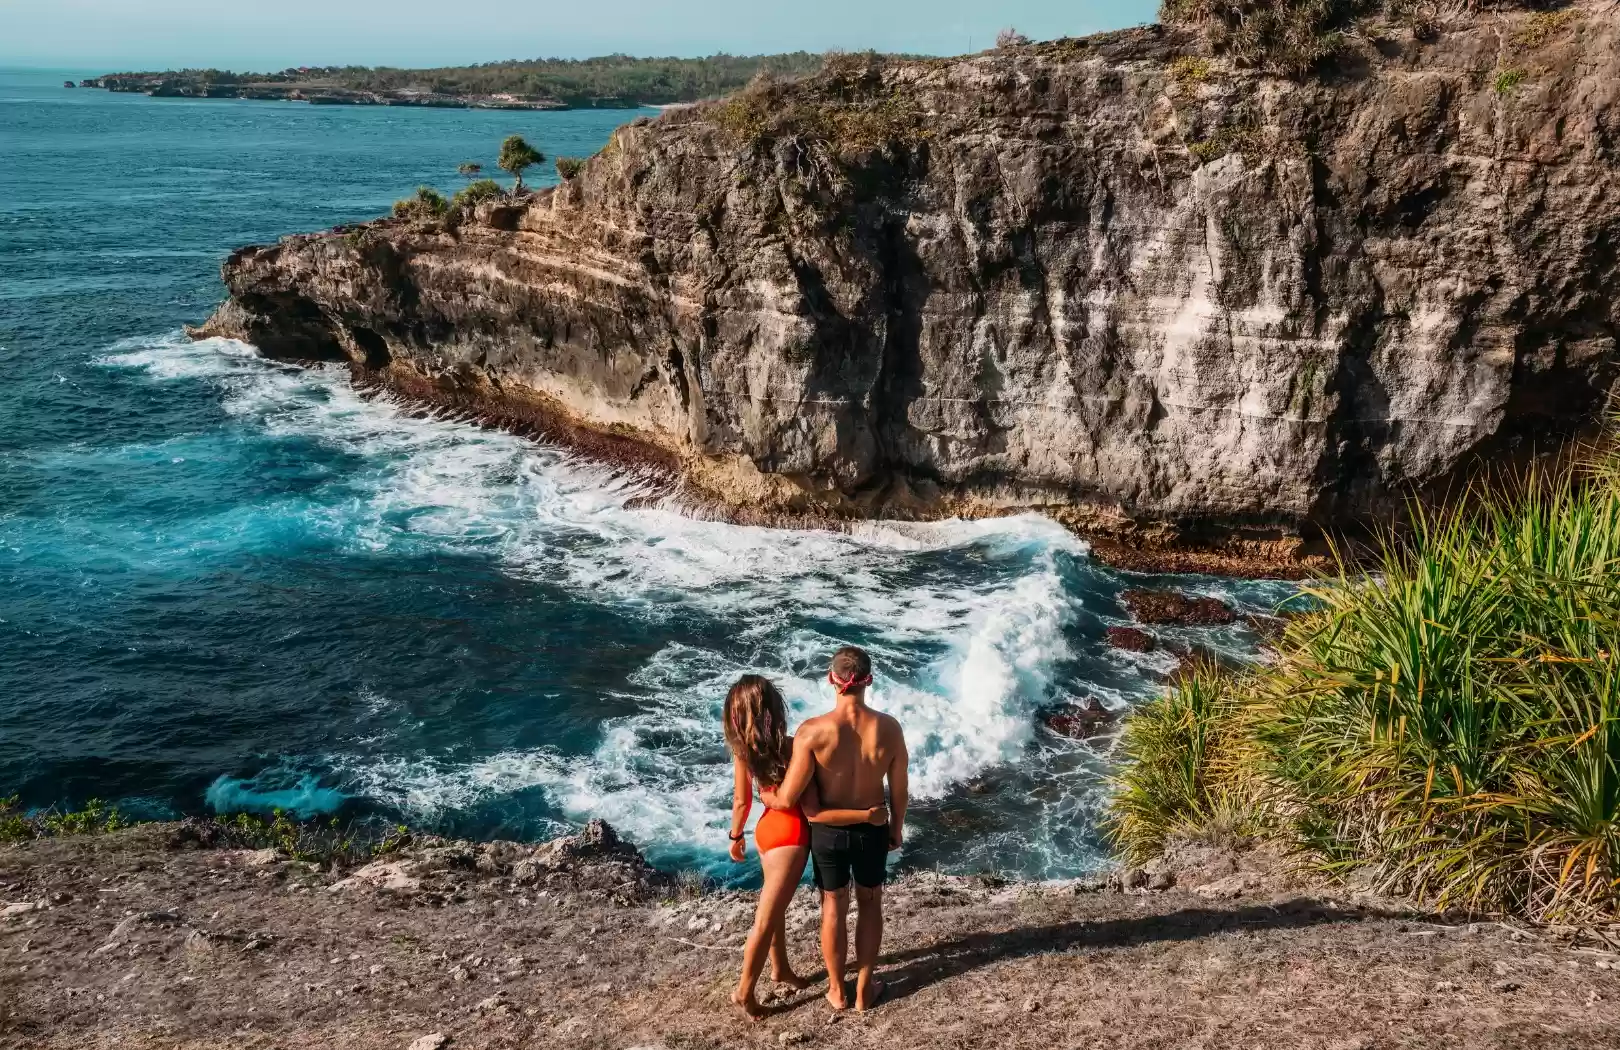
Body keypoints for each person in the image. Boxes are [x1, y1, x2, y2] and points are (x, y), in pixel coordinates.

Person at [723, 674, 888, 1021]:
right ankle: (743, 992)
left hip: (765, 831)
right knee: (766, 917)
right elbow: (805, 800)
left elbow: (741, 801)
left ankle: (780, 968)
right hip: (791, 837)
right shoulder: (791, 745)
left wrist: (736, 836)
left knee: (775, 906)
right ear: (772, 709)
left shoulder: (744, 752)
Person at [772, 646, 909, 1012]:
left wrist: (765, 797)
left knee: (832, 906)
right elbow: (899, 790)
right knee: (869, 901)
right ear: (869, 681)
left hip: (829, 833)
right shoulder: (889, 728)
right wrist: (896, 828)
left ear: (832, 680)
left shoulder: (813, 732)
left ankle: (836, 990)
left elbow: (789, 796)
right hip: (873, 828)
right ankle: (864, 989)